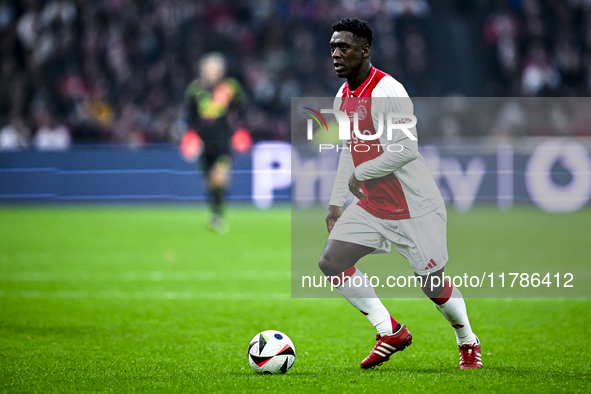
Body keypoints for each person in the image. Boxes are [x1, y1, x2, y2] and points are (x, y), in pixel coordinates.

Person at [319, 18, 481, 370]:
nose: (335, 54)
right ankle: (389, 330)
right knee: (331, 262)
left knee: (432, 285)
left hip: (414, 206)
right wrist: (336, 203)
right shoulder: (342, 97)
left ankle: (467, 339)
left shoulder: (389, 91)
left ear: (364, 51)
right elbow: (349, 148)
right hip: (374, 205)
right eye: (332, 47)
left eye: (343, 47)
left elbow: (406, 149)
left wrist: (362, 173)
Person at [182, 53, 244, 231]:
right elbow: (189, 116)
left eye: (214, 69)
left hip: (223, 140)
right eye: (208, 69)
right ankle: (215, 211)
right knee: (209, 181)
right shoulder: (194, 90)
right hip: (204, 142)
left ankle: (218, 215)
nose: (210, 72)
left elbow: (241, 109)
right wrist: (190, 135)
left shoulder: (230, 88)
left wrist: (240, 129)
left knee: (220, 176)